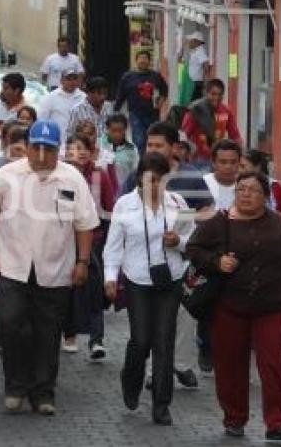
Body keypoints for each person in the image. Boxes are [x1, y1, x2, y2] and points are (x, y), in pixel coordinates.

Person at [0, 119, 100, 414]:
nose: (42, 155)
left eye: (49, 149)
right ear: (27, 146)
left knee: (48, 331)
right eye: (36, 147)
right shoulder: (6, 175)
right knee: (10, 325)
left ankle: (43, 393)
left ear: (59, 150)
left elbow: (85, 224)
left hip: (56, 268)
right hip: (12, 266)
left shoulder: (72, 178)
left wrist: (83, 261)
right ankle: (15, 387)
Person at [186, 172, 281, 442]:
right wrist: (216, 261)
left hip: (274, 306)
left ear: (266, 195)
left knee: (272, 363)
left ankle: (277, 423)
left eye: (253, 190)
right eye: (240, 189)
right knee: (230, 364)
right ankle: (234, 418)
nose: (245, 194)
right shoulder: (219, 223)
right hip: (229, 306)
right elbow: (194, 249)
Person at [104, 152, 195, 426]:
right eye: (150, 179)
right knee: (141, 339)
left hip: (171, 278)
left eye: (161, 180)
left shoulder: (179, 202)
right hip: (138, 278)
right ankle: (130, 378)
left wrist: (177, 241)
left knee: (164, 340)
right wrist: (110, 277)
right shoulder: (124, 205)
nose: (155, 186)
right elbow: (113, 247)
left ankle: (161, 403)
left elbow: (193, 241)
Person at [62, 134, 116, 359]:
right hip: (65, 240)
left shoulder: (98, 174)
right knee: (67, 288)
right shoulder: (61, 176)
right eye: (74, 148)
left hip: (94, 239)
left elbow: (109, 206)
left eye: (84, 148)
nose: (79, 153)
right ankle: (69, 334)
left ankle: (96, 340)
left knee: (94, 289)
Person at [114, 51, 169, 153]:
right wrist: (115, 111)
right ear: (136, 61)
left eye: (145, 58)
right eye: (140, 58)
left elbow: (164, 89)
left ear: (149, 61)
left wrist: (161, 100)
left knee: (152, 139)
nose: (143, 61)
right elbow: (120, 95)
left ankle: (151, 159)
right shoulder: (128, 77)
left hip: (153, 113)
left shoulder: (156, 76)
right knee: (139, 140)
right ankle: (142, 162)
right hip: (135, 113)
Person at [181, 79, 242, 163]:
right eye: (213, 94)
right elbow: (183, 137)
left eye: (220, 94)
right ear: (206, 93)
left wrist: (239, 156)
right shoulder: (195, 110)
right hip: (197, 159)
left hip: (219, 159)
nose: (216, 98)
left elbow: (235, 136)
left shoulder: (226, 111)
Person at [38, 68, 87, 143]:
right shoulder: (50, 97)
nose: (72, 82)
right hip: (56, 141)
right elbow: (42, 119)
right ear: (61, 81)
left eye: (74, 79)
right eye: (68, 79)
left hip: (77, 142)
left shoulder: (84, 97)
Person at [239, 149, 281, 217]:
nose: (239, 170)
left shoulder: (274, 187)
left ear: (257, 167)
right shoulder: (237, 185)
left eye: (243, 166)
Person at [68, 76, 112, 143]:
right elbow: (70, 134)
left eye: (105, 93)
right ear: (89, 93)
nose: (103, 97)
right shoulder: (77, 110)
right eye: (100, 93)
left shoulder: (109, 107)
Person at [102, 113, 138, 189]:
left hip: (124, 191)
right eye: (113, 130)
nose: (117, 134)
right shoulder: (99, 145)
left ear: (125, 130)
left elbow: (136, 172)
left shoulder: (132, 149)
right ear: (107, 129)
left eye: (120, 130)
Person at [203, 139, 241, 210]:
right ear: (213, 163)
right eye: (223, 162)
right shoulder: (202, 184)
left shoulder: (246, 186)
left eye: (233, 162)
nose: (228, 166)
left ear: (239, 162)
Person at [185, 31, 212, 101]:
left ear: (196, 41)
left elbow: (205, 63)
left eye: (191, 41)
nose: (189, 42)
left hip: (197, 83)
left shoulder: (200, 51)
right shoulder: (195, 51)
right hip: (192, 83)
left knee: (194, 102)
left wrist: (206, 79)